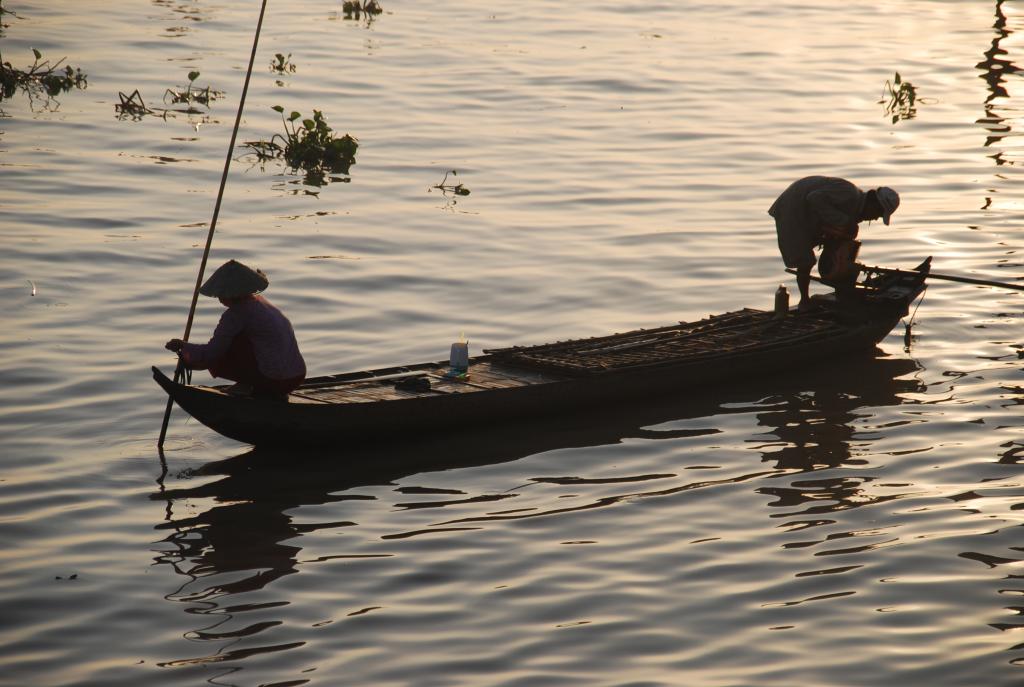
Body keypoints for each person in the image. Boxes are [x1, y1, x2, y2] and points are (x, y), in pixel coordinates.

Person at [165, 260, 306, 398]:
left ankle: (248, 384)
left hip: (274, 380)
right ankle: (248, 384)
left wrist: (183, 347)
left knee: (230, 343)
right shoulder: (262, 304)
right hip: (297, 375)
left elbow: (213, 351)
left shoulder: (236, 314)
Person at [769, 176, 900, 309]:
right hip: (794, 206)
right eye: (878, 213)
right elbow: (814, 198)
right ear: (872, 202)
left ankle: (840, 292)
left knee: (846, 236)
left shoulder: (854, 205)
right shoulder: (849, 193)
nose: (876, 218)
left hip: (807, 210)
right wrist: (842, 221)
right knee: (805, 261)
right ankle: (805, 301)